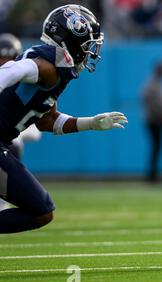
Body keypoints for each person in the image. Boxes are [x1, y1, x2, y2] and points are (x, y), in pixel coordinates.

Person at [0, 4, 128, 234]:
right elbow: (14, 69)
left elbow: (47, 121)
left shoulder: (57, 67)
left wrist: (90, 123)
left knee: (42, 210)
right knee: (41, 210)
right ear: (72, 39)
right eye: (89, 44)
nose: (91, 51)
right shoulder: (49, 66)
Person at [0, 33, 43, 211]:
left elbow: (35, 132)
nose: (4, 63)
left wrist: (12, 132)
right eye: (1, 58)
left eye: (9, 58)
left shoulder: (26, 86)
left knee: (15, 145)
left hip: (6, 144)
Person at [141, 60, 162, 182]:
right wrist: (158, 115)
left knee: (157, 148)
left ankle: (153, 173)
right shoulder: (152, 84)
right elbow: (148, 101)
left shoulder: (158, 83)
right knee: (156, 147)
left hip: (158, 121)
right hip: (154, 121)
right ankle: (152, 175)